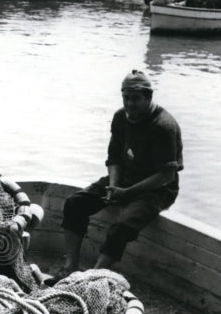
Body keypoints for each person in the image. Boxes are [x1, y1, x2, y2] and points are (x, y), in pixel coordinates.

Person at [46, 70, 183, 285]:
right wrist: (113, 187)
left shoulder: (163, 126)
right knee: (75, 203)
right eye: (125, 97)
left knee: (121, 227)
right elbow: (114, 159)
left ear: (149, 96)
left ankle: (90, 281)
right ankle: (70, 267)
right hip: (125, 179)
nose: (129, 104)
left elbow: (166, 175)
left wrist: (126, 193)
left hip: (157, 189)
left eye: (135, 98)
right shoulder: (121, 117)